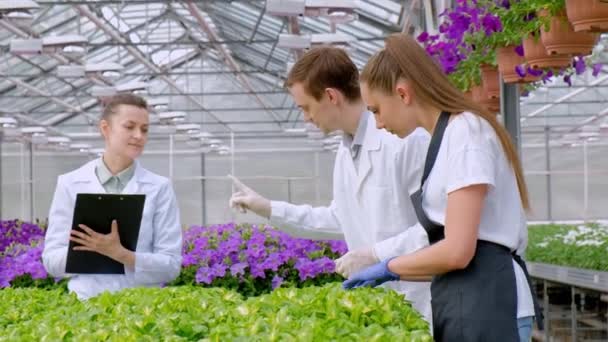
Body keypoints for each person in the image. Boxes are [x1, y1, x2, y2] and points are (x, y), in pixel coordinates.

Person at [342, 33, 543, 342]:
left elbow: (458, 251)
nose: (378, 125)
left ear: (403, 93)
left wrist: (388, 266)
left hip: (491, 303)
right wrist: (390, 267)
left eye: (376, 110)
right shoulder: (450, 135)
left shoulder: (466, 133)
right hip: (469, 299)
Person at [228, 46, 434, 324]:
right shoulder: (347, 149)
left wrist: (375, 255)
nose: (306, 118)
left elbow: (436, 228)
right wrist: (267, 208)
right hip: (384, 302)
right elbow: (341, 217)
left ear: (330, 96)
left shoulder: (406, 139)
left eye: (306, 108)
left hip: (423, 298)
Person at [42, 94, 182, 300]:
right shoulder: (70, 183)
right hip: (85, 307)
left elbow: (171, 266)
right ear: (105, 129)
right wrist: (91, 250)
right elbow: (51, 262)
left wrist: (122, 255)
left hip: (143, 309)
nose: (139, 136)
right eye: (130, 126)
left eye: (144, 129)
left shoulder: (159, 188)